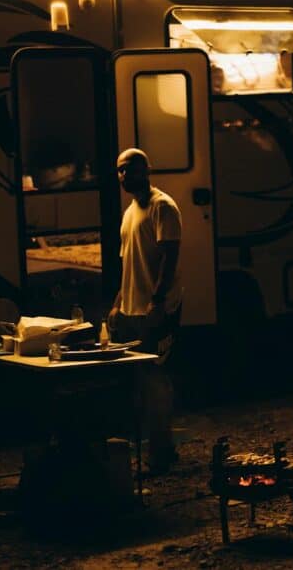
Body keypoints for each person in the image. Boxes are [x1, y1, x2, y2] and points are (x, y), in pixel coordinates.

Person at [107, 148, 183, 474]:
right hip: (131, 310)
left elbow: (170, 257)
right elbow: (130, 266)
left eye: (131, 170)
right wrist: (117, 304)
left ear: (146, 170)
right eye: (121, 171)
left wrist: (158, 301)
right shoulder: (129, 213)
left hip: (156, 309)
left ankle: (162, 454)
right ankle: (151, 451)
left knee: (155, 381)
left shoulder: (162, 207)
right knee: (138, 383)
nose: (125, 176)